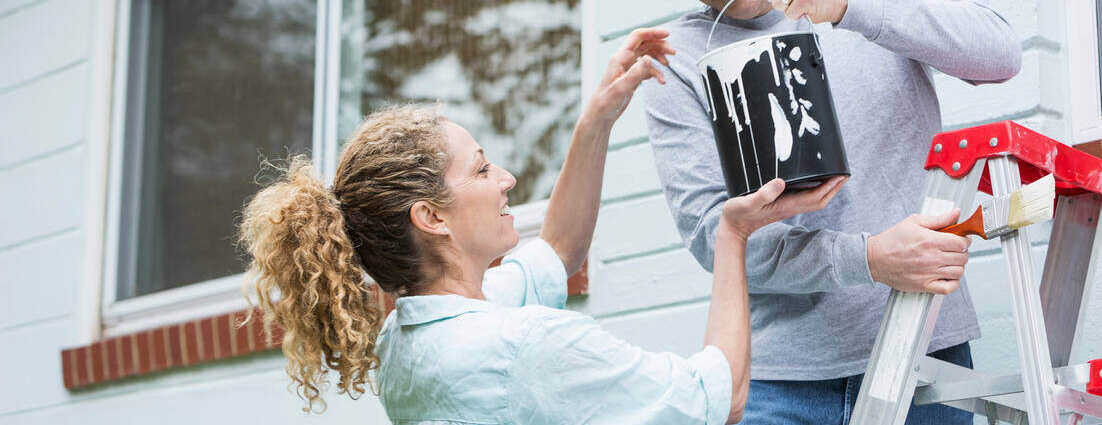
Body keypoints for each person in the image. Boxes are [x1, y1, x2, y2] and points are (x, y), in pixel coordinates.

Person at [239, 27, 846, 424]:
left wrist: (597, 119)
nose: (504, 178)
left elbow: (558, 248)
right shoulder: (522, 344)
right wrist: (732, 235)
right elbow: (722, 399)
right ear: (430, 218)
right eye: (480, 170)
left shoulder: (409, 340)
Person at [635, 0, 1022, 425]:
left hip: (922, 350)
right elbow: (710, 234)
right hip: (776, 382)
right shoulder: (679, 59)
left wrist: (847, 4)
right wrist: (866, 259)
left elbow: (998, 52)